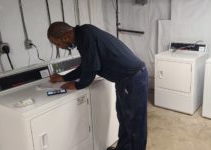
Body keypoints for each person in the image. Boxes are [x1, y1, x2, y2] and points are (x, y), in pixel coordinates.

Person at [47, 22, 148, 150]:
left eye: (57, 44)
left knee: (135, 124)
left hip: (132, 79)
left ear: (64, 37)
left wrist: (79, 85)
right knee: (124, 119)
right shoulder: (84, 34)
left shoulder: (85, 36)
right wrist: (63, 77)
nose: (59, 47)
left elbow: (92, 67)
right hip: (125, 80)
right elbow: (86, 65)